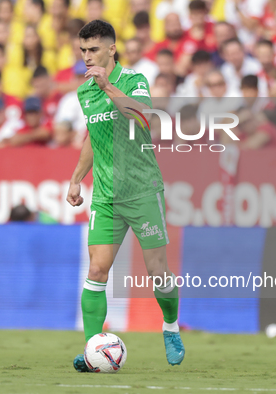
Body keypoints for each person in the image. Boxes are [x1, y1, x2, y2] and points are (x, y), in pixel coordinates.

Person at [66, 20, 184, 372]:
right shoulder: (84, 92)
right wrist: (75, 179)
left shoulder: (133, 80)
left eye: (94, 50)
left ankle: (170, 326)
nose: (87, 57)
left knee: (158, 272)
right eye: (83, 51)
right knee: (97, 270)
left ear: (111, 49)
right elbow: (92, 137)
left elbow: (145, 118)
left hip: (142, 191)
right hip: (105, 196)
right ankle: (91, 351)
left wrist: (109, 88)